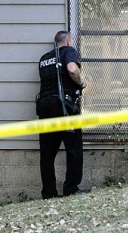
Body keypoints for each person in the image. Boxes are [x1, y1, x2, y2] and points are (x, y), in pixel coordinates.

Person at [36, 31, 87, 199]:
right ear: (69, 41)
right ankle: (71, 188)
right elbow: (72, 69)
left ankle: (49, 193)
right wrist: (82, 83)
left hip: (44, 107)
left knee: (47, 153)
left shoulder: (44, 59)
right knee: (74, 148)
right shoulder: (69, 51)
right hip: (64, 107)